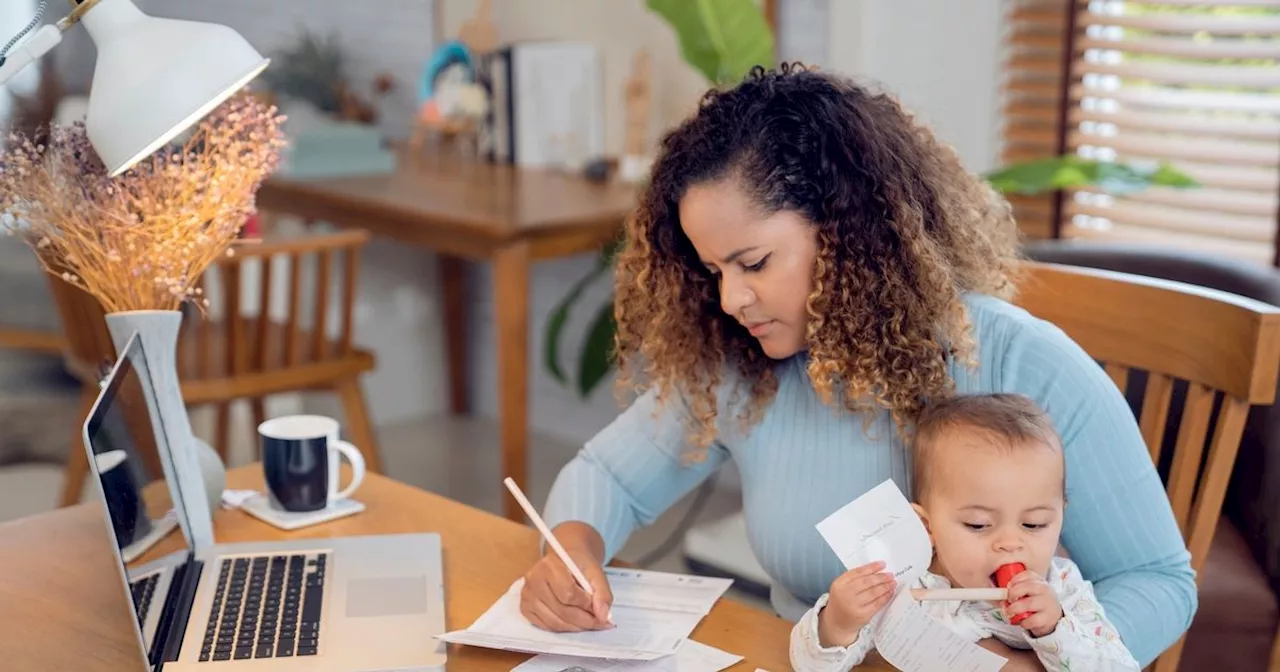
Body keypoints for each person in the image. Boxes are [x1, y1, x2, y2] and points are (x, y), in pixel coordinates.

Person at [518, 63, 1195, 670]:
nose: (730, 299)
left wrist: (1034, 668)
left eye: (754, 263)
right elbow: (608, 478)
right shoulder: (739, 365)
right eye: (713, 269)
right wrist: (572, 552)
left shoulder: (1028, 365)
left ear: (850, 233)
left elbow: (1158, 579)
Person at [790, 393, 1141, 671]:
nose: (1010, 543)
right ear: (927, 527)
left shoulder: (1063, 591)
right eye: (978, 525)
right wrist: (838, 622)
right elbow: (808, 665)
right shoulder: (905, 587)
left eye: (1034, 524)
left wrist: (1053, 629)